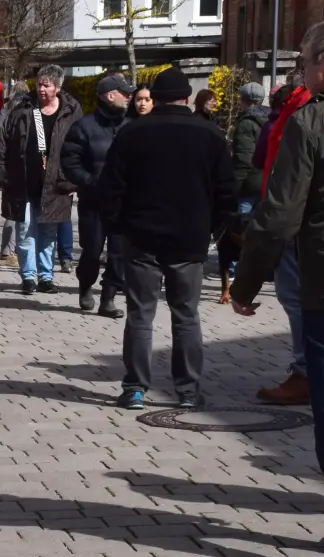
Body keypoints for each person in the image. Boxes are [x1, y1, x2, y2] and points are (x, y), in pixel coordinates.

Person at [99, 65, 237, 411]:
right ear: (187, 99)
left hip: (141, 236)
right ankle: (188, 390)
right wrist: (217, 229)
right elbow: (226, 191)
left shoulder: (132, 134)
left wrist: (118, 226)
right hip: (189, 237)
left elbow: (111, 187)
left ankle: (135, 388)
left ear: (154, 99)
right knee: (186, 315)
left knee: (140, 314)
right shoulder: (210, 134)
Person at [232, 22, 324, 484]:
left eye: (304, 63)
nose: (300, 74)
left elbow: (281, 212)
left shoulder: (311, 122)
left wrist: (244, 283)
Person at [249, 77, 313, 405]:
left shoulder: (304, 110)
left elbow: (289, 180)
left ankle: (306, 372)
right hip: (293, 220)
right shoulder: (295, 108)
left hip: (299, 225)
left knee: (298, 300)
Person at [0, 64, 80, 296]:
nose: (41, 89)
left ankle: (46, 276)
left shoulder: (71, 110)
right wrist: (1, 168)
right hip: (23, 181)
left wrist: (72, 178)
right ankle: (28, 276)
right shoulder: (23, 107)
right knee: (24, 230)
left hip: (55, 184)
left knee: (48, 232)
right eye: (39, 84)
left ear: (58, 87)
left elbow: (79, 147)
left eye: (47, 85)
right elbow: (4, 138)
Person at [60, 73, 130, 317]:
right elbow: (70, 161)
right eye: (125, 93)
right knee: (91, 251)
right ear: (110, 96)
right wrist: (90, 181)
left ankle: (109, 297)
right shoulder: (84, 126)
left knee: (119, 253)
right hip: (94, 201)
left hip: (123, 203)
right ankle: (85, 284)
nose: (129, 98)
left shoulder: (130, 126)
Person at [221, 81, 272, 303]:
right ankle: (259, 270)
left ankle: (234, 275)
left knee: (238, 228)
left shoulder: (245, 123)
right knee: (260, 228)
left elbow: (243, 158)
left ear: (244, 100)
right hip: (267, 181)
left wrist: (236, 186)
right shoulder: (272, 119)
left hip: (248, 183)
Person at [0, 86, 29, 267]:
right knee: (16, 214)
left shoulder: (6, 108)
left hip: (5, 168)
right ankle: (9, 251)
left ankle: (8, 250)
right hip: (14, 169)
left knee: (11, 213)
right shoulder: (22, 110)